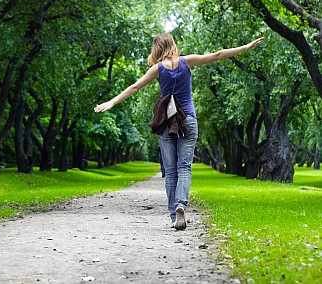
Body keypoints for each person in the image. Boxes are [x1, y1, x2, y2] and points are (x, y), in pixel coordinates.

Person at [94, 34, 264, 230]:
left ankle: (174, 215)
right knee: (185, 167)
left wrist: (112, 102)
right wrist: (245, 47)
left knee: (171, 170)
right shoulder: (187, 61)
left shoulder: (157, 69)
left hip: (166, 123)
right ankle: (181, 205)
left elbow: (135, 86)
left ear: (156, 48)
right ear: (172, 44)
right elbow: (217, 55)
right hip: (188, 120)